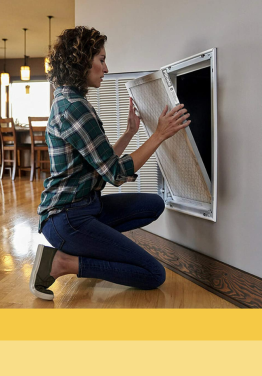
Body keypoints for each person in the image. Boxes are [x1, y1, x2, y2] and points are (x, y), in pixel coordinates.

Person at [30, 26, 191, 300]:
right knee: (154, 274)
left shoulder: (72, 100)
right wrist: (159, 134)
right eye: (101, 60)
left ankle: (85, 246)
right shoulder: (74, 107)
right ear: (82, 61)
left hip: (84, 207)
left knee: (154, 204)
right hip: (66, 217)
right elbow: (115, 174)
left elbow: (100, 166)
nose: (106, 68)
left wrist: (129, 133)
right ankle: (64, 262)